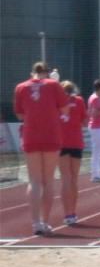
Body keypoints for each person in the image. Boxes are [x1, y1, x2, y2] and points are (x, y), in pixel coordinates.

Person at [14, 62, 69, 236]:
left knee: (34, 180)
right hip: (51, 135)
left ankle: (36, 222)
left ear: (32, 72)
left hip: (31, 135)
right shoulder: (54, 85)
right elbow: (65, 109)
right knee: (48, 180)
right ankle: (45, 221)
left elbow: (20, 114)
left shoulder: (21, 87)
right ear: (47, 72)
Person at [58, 80, 87, 226]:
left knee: (65, 178)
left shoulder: (56, 102)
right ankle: (73, 212)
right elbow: (85, 122)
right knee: (74, 178)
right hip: (76, 142)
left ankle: (67, 214)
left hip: (61, 143)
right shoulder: (79, 101)